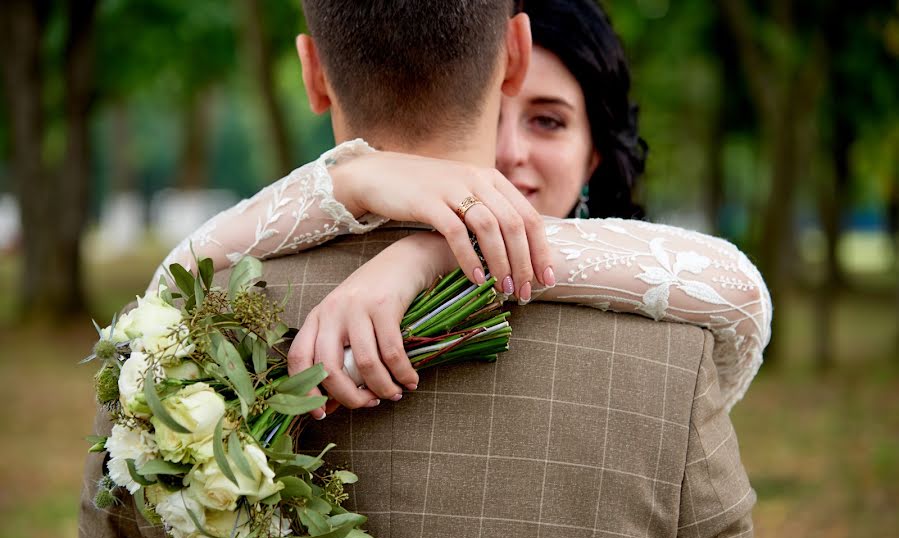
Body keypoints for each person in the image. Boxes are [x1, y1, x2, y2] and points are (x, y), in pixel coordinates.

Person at [75, 1, 763, 538]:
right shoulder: (672, 364)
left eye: (551, 124)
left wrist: (365, 204)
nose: (515, 156)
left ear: (312, 72)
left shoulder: (166, 351)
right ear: (514, 56)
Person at [147, 0, 770, 416]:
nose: (505, 152)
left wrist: (432, 252)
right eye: (495, 113)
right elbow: (171, 283)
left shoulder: (668, 348)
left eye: (548, 121)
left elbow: (740, 289)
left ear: (596, 155)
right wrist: (351, 181)